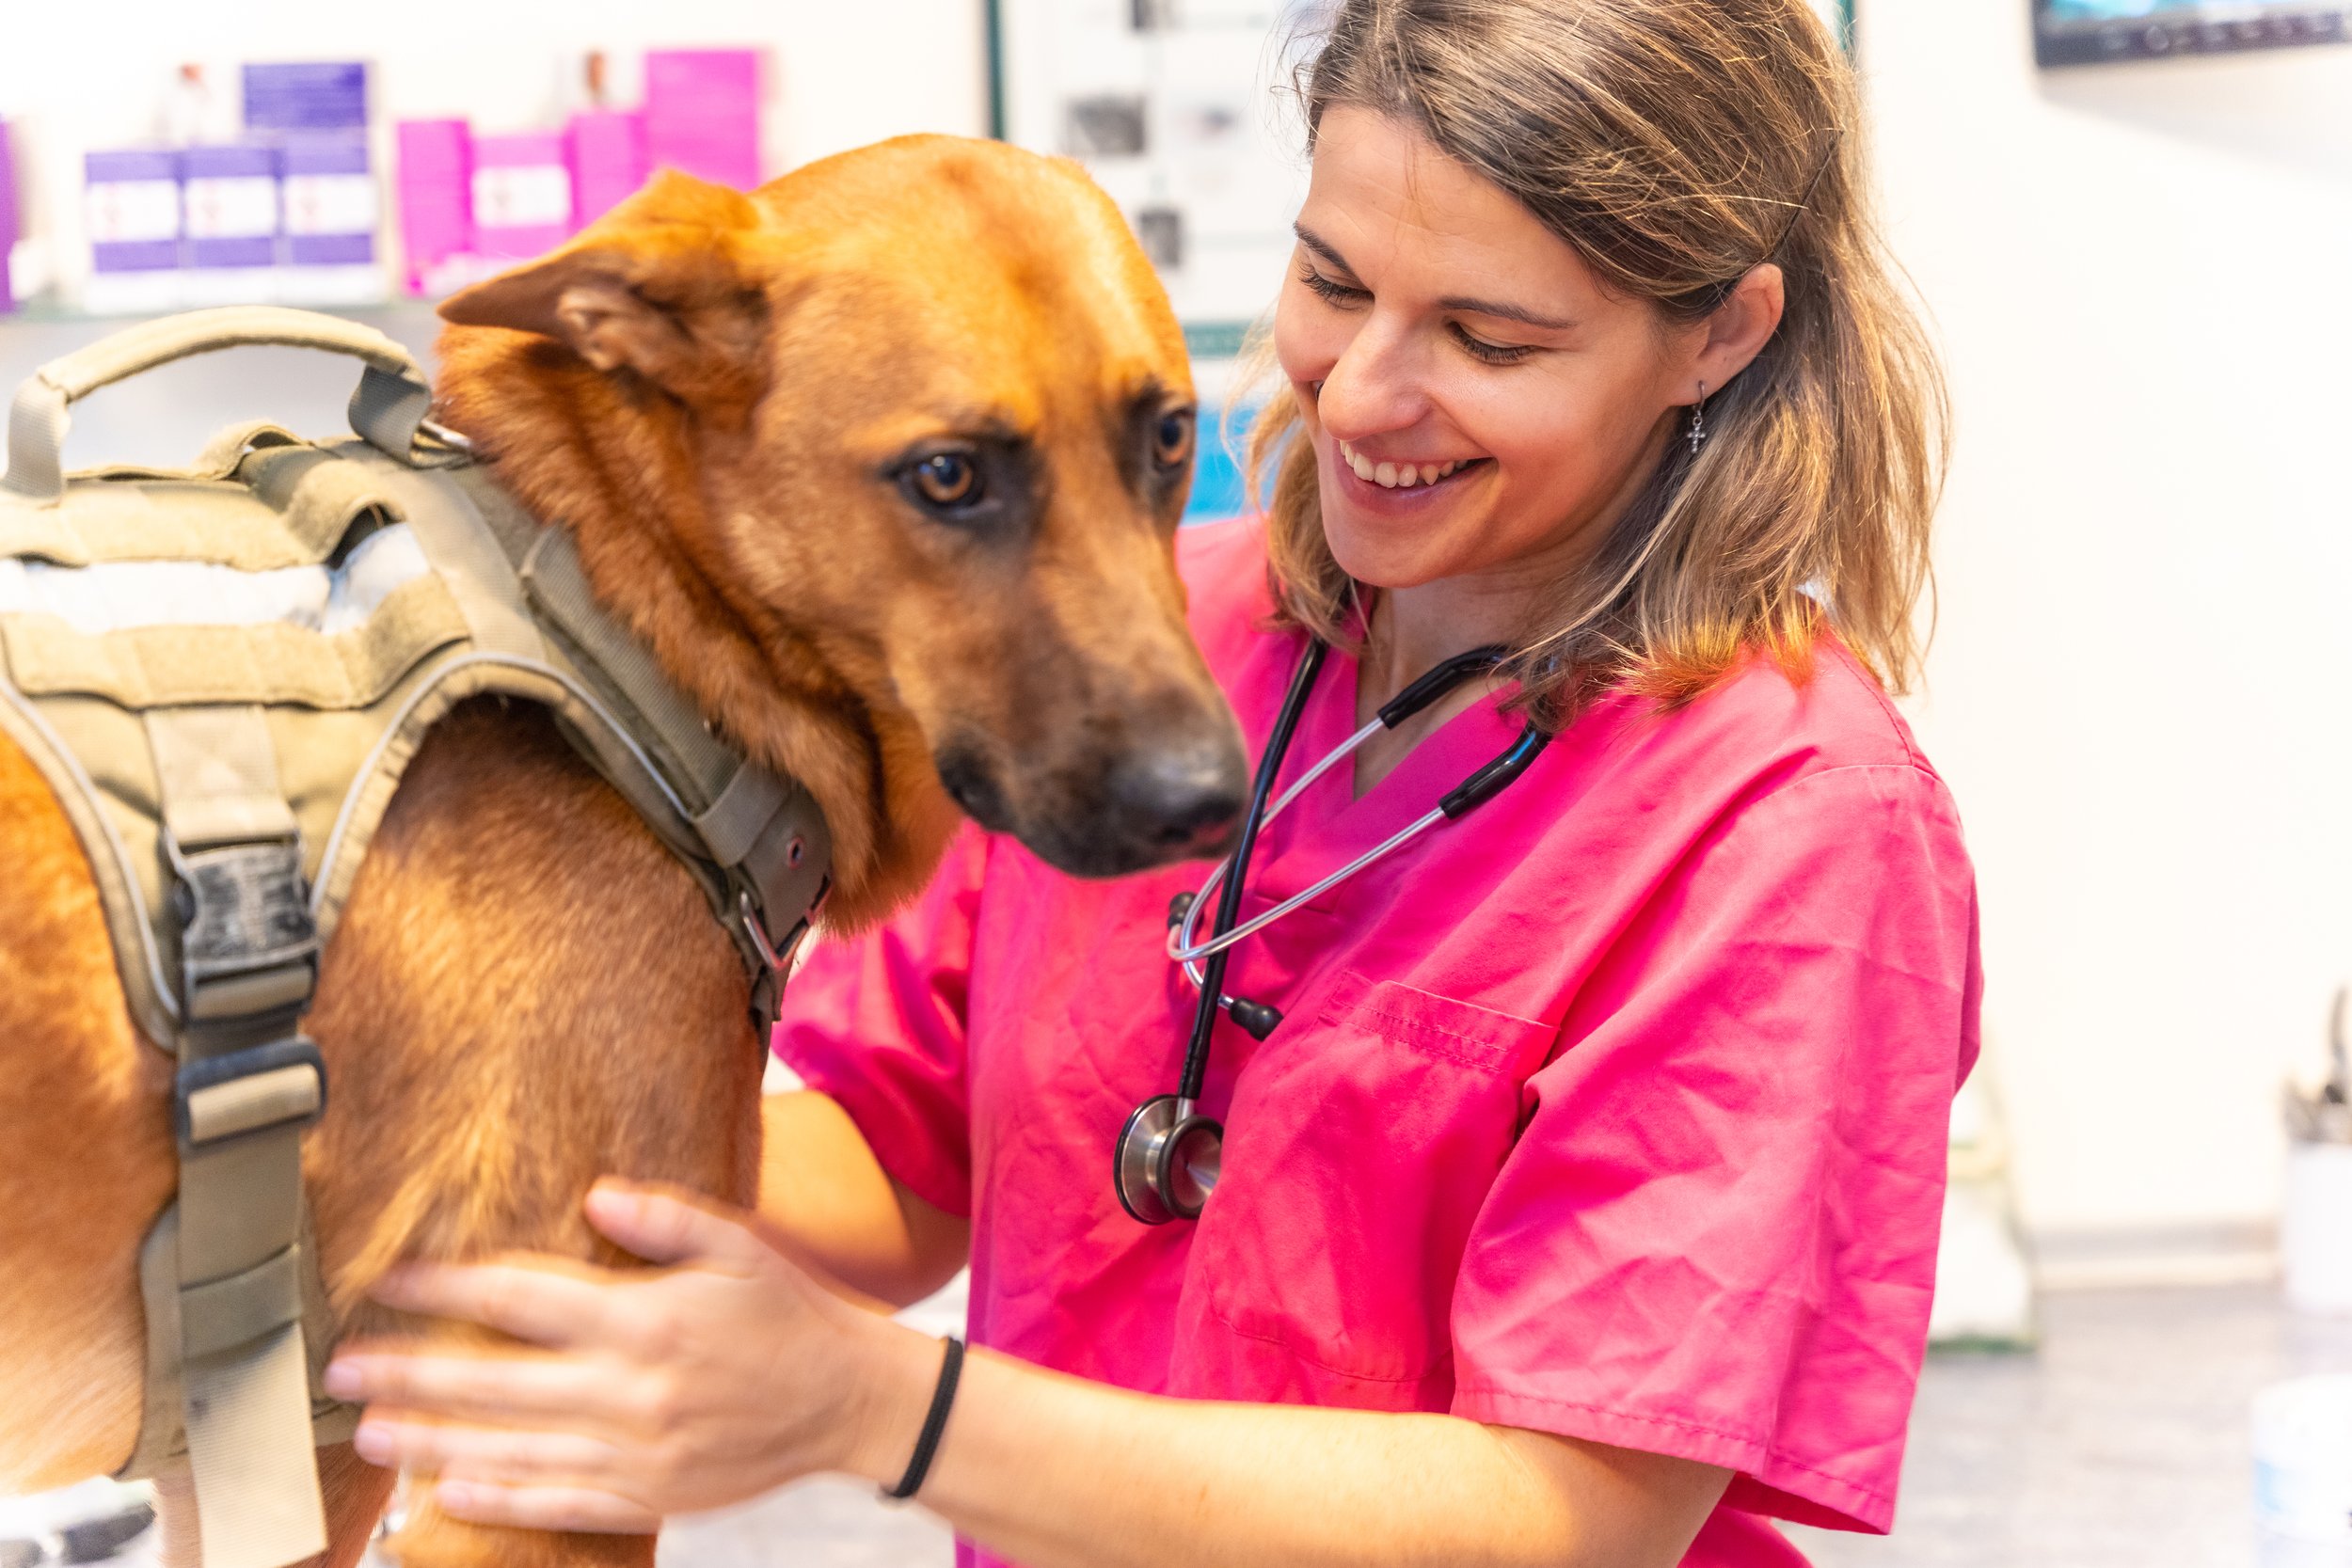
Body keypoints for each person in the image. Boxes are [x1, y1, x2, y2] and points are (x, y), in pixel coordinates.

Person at [323, 2, 1977, 1564]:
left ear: (1721, 335)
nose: (1363, 395)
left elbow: (1574, 1514)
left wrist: (875, 1405)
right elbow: (897, 1167)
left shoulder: (1791, 825)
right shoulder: (1145, 654)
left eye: (1486, 337)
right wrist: (424, 1089)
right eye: (1333, 283)